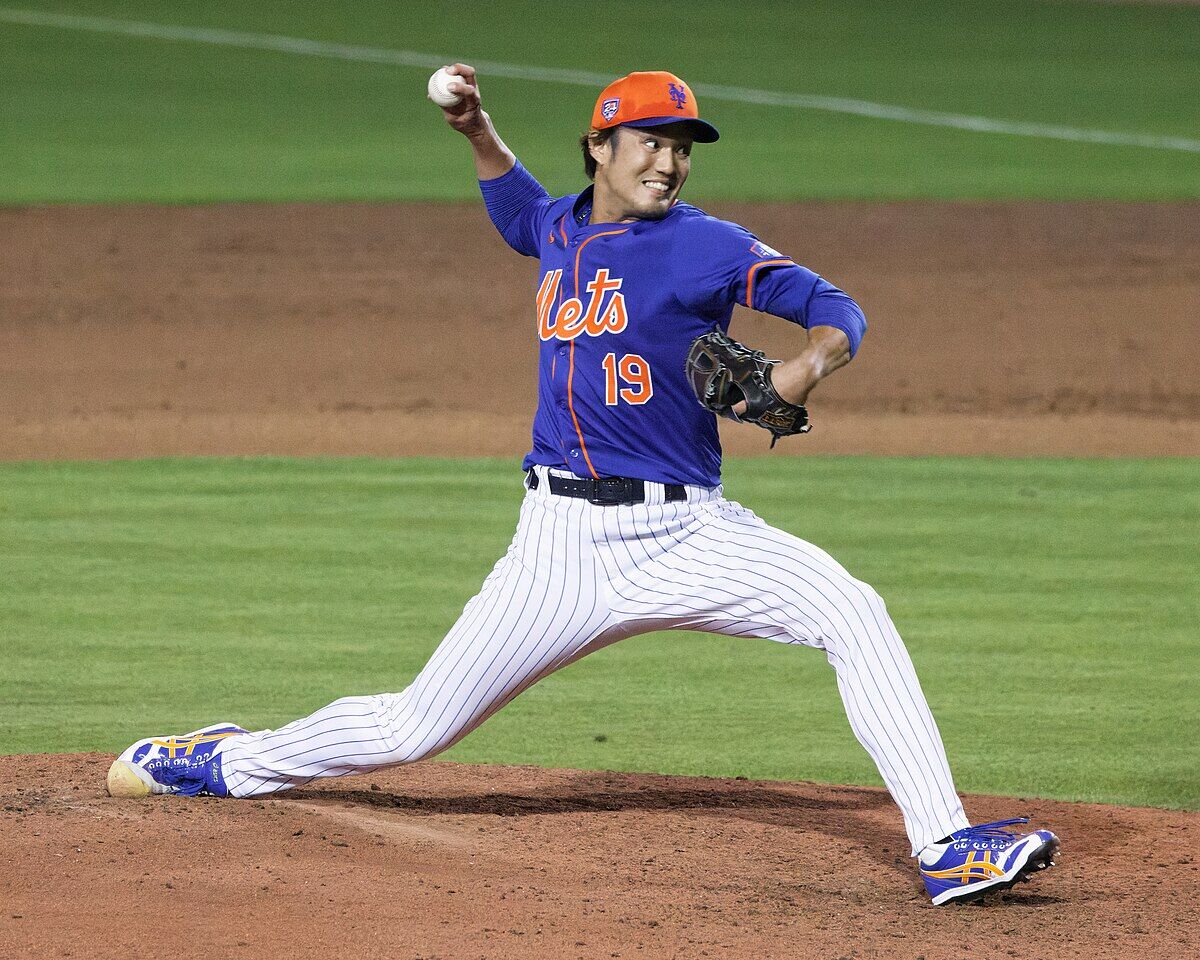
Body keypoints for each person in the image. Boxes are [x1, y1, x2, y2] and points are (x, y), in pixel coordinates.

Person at [108, 67, 1058, 905]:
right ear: (600, 147)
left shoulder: (706, 244)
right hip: (556, 550)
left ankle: (946, 847)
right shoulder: (559, 226)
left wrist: (807, 366)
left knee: (852, 610)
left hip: (689, 535)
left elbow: (832, 305)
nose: (669, 164)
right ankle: (224, 761)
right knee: (413, 727)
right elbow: (515, 210)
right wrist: (477, 131)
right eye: (651, 142)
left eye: (682, 148)